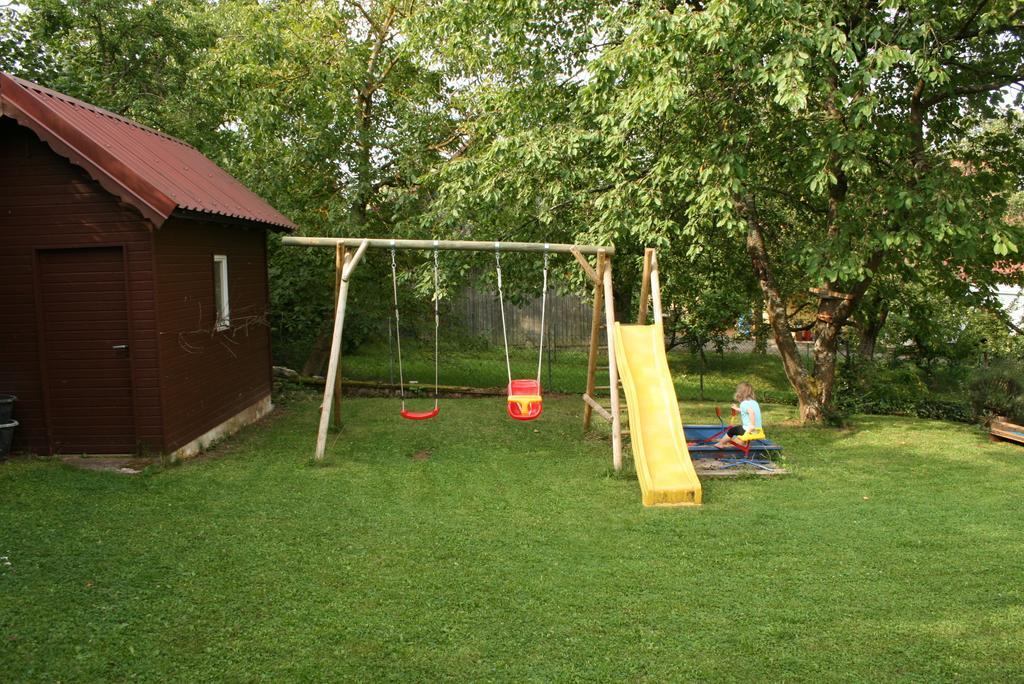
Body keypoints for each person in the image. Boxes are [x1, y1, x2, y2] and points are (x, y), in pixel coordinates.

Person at [714, 381, 765, 448]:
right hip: (758, 430)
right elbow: (746, 410)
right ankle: (742, 442)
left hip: (749, 430)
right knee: (741, 428)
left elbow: (751, 412)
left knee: (732, 431)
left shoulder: (744, 403)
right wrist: (737, 408)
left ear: (739, 394)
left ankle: (720, 443)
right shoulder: (754, 402)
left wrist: (752, 425)